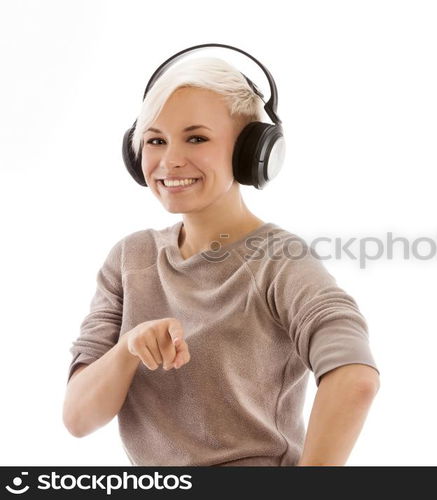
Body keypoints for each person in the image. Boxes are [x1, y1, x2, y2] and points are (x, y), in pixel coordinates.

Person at [62, 55, 380, 466]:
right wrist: (128, 347)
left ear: (252, 152)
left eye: (196, 139)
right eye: (156, 140)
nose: (170, 159)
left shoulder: (280, 261)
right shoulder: (130, 258)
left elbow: (355, 379)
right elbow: (78, 417)